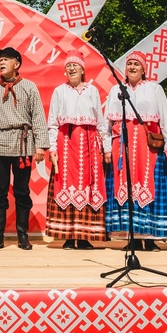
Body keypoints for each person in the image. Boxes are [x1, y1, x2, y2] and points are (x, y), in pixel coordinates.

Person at [0, 47, 48, 250]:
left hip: (22, 144)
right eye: (0, 60)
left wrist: (41, 145)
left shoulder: (29, 87)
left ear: (16, 64)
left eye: (6, 60)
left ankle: (22, 235)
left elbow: (38, 118)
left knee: (22, 191)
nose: (1, 63)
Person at [104, 51, 167, 250]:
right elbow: (108, 123)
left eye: (136, 64)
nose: (132, 67)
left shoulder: (154, 89)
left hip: (148, 146)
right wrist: (107, 147)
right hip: (122, 145)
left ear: (144, 69)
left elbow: (165, 118)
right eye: (129, 64)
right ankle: (132, 237)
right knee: (125, 186)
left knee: (149, 185)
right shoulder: (116, 89)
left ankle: (150, 239)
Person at [43, 52, 106, 250]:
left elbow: (100, 121)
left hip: (89, 142)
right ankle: (68, 236)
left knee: (87, 185)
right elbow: (52, 122)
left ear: (82, 69)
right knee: (65, 185)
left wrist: (105, 146)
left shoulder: (92, 91)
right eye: (68, 66)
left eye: (75, 66)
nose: (71, 69)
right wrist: (52, 147)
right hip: (66, 141)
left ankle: (85, 235)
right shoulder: (59, 91)